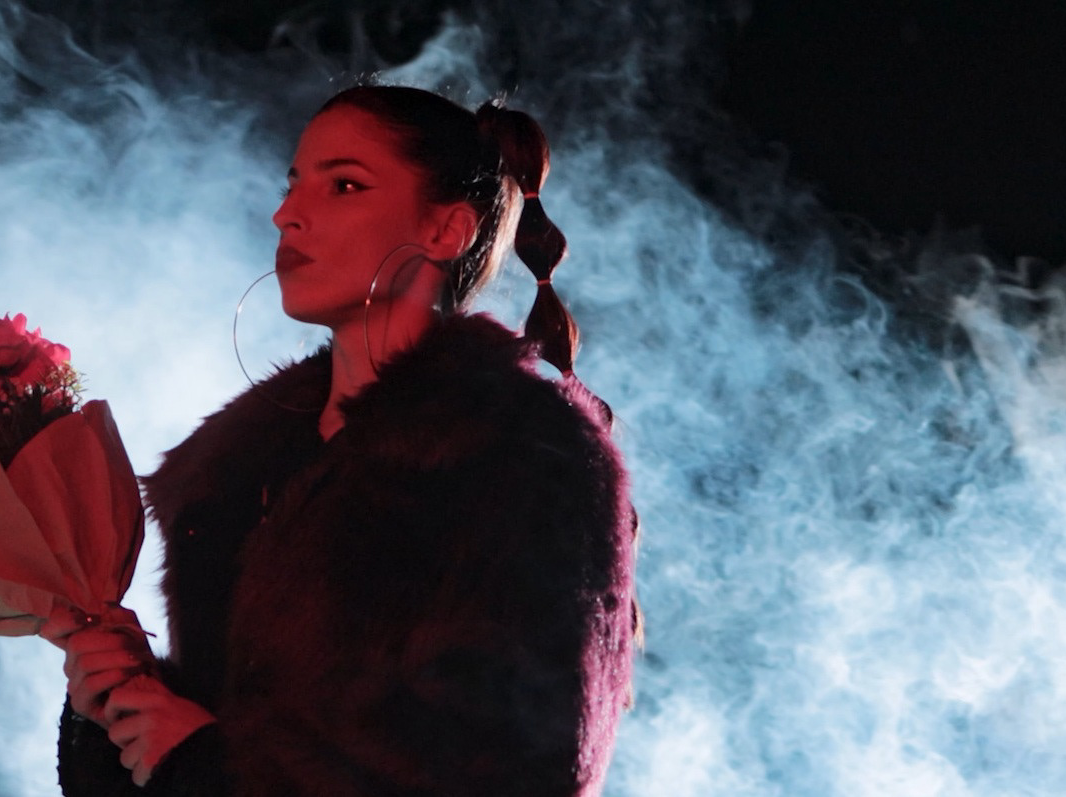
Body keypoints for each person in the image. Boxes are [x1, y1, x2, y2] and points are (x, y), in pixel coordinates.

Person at [54, 84, 639, 796]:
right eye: (292, 184)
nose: (287, 213)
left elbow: (532, 767)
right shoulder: (238, 470)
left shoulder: (524, 452)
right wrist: (113, 709)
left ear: (447, 230)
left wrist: (210, 764)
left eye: (345, 185)